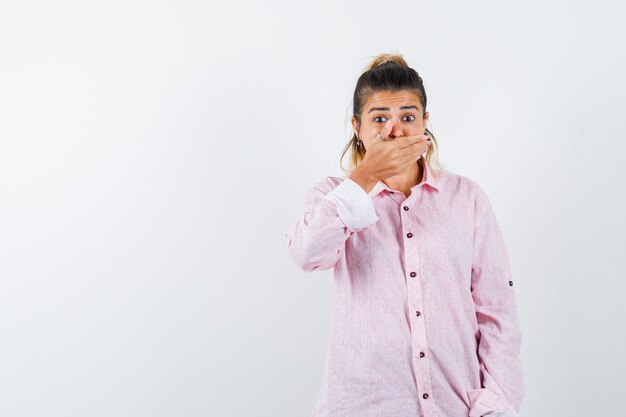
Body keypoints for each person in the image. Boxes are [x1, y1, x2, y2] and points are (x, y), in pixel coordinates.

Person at [285, 53, 525, 417]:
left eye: (408, 117)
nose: (395, 131)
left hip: (455, 406)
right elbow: (306, 254)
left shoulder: (467, 199)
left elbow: (497, 313)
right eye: (379, 118)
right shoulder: (332, 195)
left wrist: (496, 404)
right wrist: (365, 177)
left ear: (425, 123)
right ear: (357, 127)